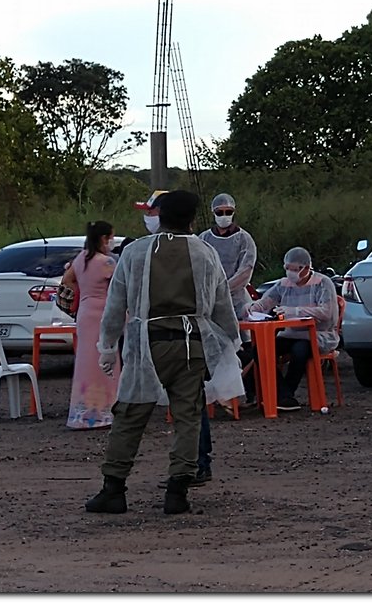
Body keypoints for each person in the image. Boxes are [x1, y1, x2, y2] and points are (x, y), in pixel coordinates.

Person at [85, 190, 243, 515]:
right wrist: (233, 341)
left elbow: (116, 305)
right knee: (188, 418)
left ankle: (113, 489)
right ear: (193, 219)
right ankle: (177, 492)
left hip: (147, 345)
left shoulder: (135, 252)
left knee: (130, 416)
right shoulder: (205, 253)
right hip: (192, 344)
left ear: (159, 216)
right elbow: (222, 304)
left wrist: (107, 345)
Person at [136, 189, 215, 486]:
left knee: (189, 407)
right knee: (188, 406)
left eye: (152, 213)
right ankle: (192, 464)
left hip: (184, 340)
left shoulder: (195, 250)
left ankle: (195, 465)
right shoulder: (151, 249)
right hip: (172, 340)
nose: (148, 219)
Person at [245, 246, 339, 411]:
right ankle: (283, 394)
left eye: (294, 270)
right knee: (261, 350)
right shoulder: (283, 284)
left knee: (300, 351)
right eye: (287, 269)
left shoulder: (323, 283)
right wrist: (253, 308)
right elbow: (266, 302)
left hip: (318, 335)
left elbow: (327, 312)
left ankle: (285, 394)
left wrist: (295, 311)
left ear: (306, 268)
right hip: (290, 333)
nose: (290, 273)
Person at [198, 193, 258, 411]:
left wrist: (224, 288)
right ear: (213, 213)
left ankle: (250, 392)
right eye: (220, 212)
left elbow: (246, 270)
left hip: (237, 300)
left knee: (246, 345)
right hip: (211, 302)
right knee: (215, 347)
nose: (224, 216)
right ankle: (217, 393)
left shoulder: (244, 239)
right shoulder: (204, 238)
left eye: (228, 212)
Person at [63, 220, 120, 430]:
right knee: (107, 359)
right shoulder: (107, 263)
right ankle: (107, 409)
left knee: (86, 361)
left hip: (85, 313)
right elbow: (121, 287)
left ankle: (83, 412)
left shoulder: (80, 259)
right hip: (104, 313)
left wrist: (82, 292)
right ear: (104, 238)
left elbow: (66, 280)